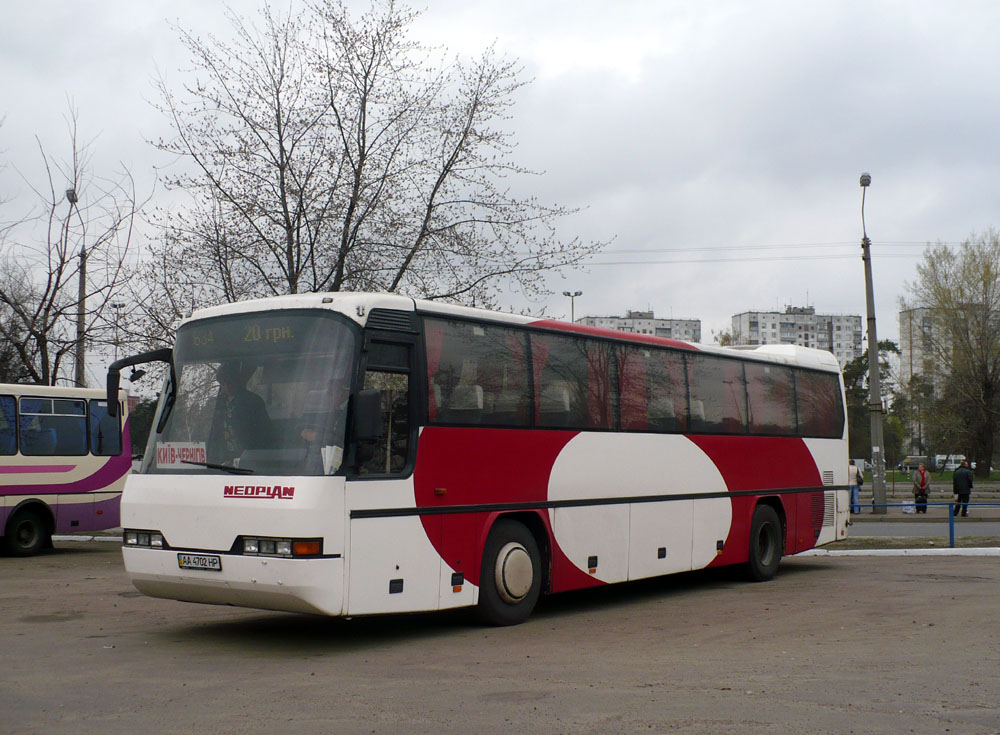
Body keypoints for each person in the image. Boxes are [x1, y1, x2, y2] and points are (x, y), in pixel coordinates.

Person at [207, 362, 273, 465]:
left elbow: (265, 434)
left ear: (237, 381)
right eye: (223, 384)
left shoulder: (253, 402)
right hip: (220, 463)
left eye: (230, 382)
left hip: (250, 462)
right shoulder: (215, 404)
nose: (227, 387)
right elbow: (209, 431)